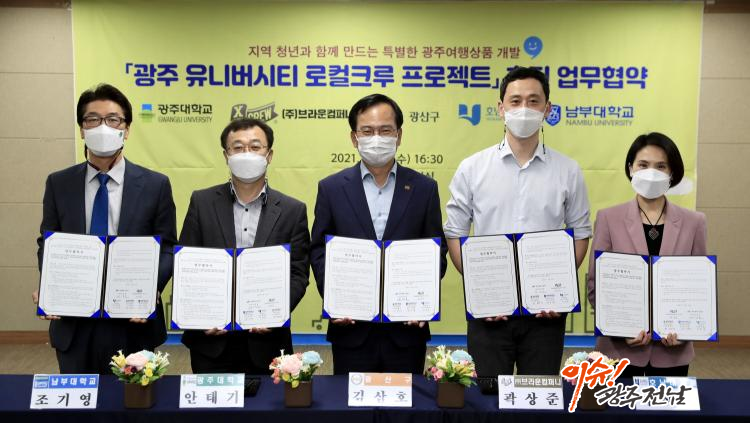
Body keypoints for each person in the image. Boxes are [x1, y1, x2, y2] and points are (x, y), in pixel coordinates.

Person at [444, 67, 592, 376]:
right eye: (515, 101)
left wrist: (559, 287)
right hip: (489, 311)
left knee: (538, 393)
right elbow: (455, 233)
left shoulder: (568, 170)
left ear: (547, 109)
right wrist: (481, 288)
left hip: (546, 313)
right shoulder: (472, 168)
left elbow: (580, 234)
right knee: (486, 393)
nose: (524, 108)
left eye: (533, 101)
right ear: (501, 108)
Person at [34, 83, 177, 374]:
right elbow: (48, 241)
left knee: (134, 399)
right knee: (79, 398)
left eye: (113, 119)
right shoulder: (59, 183)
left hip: (133, 322)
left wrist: (150, 288)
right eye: (93, 119)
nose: (103, 127)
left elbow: (167, 248)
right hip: (74, 321)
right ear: (82, 129)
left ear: (127, 129)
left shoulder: (155, 185)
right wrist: (50, 284)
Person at [310, 93, 448, 374]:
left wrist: (422, 300)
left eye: (385, 130)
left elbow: (437, 251)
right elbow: (319, 250)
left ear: (399, 135)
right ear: (354, 137)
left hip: (406, 330)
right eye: (367, 131)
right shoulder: (331, 188)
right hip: (351, 328)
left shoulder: (424, 188)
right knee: (351, 399)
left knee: (406, 399)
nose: (377, 138)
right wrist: (336, 299)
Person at [179, 118, 310, 374]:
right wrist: (200, 317)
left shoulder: (292, 210)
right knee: (213, 400)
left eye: (255, 147)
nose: (246, 154)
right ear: (226, 155)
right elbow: (186, 264)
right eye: (238, 148)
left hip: (267, 342)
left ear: (269, 155)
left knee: (267, 401)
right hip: (211, 340)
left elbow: (298, 273)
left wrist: (275, 313)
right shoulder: (202, 202)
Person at [587, 132, 706, 377]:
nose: (651, 172)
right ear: (631, 168)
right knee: (618, 404)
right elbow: (595, 285)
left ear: (672, 173)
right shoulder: (609, 218)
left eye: (661, 166)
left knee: (667, 405)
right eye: (643, 165)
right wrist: (620, 330)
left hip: (672, 352)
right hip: (618, 350)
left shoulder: (694, 222)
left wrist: (685, 332)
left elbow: (699, 287)